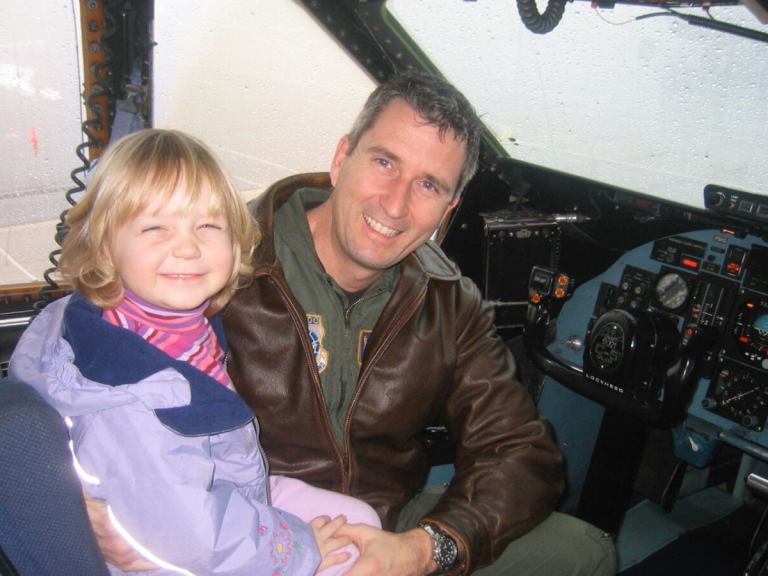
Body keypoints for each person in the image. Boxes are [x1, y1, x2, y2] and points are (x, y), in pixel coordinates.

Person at [90, 74, 617, 574]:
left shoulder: (449, 302)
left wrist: (423, 548)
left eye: (429, 185)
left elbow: (522, 451)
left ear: (450, 208)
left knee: (582, 550)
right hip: (251, 534)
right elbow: (84, 372)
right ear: (342, 158)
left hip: (389, 531)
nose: (395, 203)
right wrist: (86, 503)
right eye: (385, 162)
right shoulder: (222, 260)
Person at [8, 128, 380, 576]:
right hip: (169, 544)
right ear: (105, 246)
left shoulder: (149, 323)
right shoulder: (129, 390)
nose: (187, 247)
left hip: (208, 494)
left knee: (360, 525)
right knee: (347, 555)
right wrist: (301, 549)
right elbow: (193, 539)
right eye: (154, 227)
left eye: (207, 225)